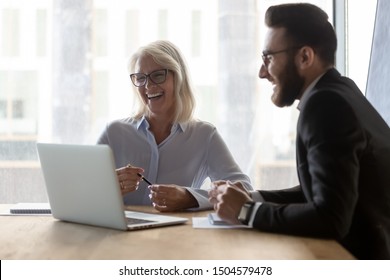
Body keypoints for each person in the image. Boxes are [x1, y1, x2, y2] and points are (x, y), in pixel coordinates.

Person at [209, 3, 390, 259]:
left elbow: (330, 218)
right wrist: (251, 197)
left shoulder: (324, 105)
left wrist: (246, 212)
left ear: (305, 57)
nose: (262, 72)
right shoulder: (341, 89)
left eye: (268, 57)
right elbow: (322, 191)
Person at [97, 40, 252, 212]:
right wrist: (107, 189)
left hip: (176, 236)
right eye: (140, 78)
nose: (148, 86)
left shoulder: (204, 135)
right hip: (119, 235)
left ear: (178, 78)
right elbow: (80, 191)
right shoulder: (114, 132)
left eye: (157, 75)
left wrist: (189, 197)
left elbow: (244, 190)